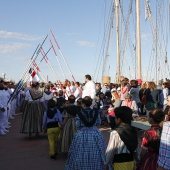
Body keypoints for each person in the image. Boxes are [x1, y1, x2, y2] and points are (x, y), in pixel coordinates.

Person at [65, 96, 106, 170]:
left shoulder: (80, 113)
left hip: (82, 133)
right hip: (95, 132)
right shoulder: (95, 112)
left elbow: (78, 124)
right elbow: (99, 122)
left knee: (79, 152)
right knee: (98, 151)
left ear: (83, 104)